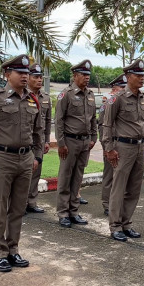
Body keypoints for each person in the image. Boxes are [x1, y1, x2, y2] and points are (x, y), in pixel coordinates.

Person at [0, 54, 43, 272]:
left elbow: (38, 132)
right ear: (8, 74)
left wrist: (36, 156)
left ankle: (13, 249)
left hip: (25, 160)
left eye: (27, 73)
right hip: (2, 159)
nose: (25, 76)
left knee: (17, 209)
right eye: (20, 73)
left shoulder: (33, 100)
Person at [101, 59, 144, 242]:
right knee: (118, 188)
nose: (141, 79)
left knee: (134, 188)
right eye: (138, 75)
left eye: (143, 75)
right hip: (123, 147)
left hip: (139, 146)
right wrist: (109, 148)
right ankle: (115, 226)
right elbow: (107, 124)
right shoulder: (117, 98)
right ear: (128, 77)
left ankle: (126, 222)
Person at [54, 60, 97, 228]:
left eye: (88, 75)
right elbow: (59, 120)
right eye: (84, 75)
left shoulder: (90, 94)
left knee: (77, 178)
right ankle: (63, 213)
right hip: (70, 141)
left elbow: (93, 118)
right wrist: (61, 143)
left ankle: (74, 211)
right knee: (65, 177)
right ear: (75, 76)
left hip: (85, 142)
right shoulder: (67, 94)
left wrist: (93, 137)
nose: (87, 78)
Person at [26, 63, 51, 214]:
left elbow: (48, 121)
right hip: (25, 140)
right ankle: (19, 204)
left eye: (41, 77)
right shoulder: (24, 96)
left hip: (39, 141)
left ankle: (32, 202)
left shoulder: (46, 98)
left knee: (36, 173)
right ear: (28, 78)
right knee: (24, 174)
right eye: (35, 77)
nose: (39, 80)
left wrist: (47, 140)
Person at [100, 74, 127, 216]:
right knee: (109, 175)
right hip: (111, 143)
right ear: (114, 88)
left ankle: (116, 203)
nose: (123, 89)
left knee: (119, 177)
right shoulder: (107, 103)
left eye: (124, 87)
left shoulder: (123, 101)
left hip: (122, 144)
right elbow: (102, 126)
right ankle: (106, 204)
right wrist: (106, 146)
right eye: (121, 87)